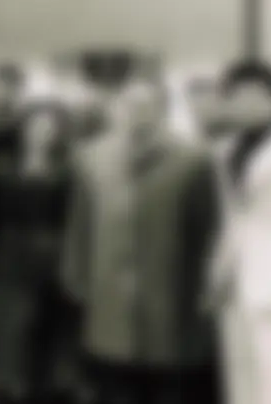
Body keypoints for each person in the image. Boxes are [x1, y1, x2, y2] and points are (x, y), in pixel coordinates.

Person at [60, 71, 222, 404]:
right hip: (109, 287)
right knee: (113, 376)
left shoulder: (194, 160)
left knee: (166, 380)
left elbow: (208, 230)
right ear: (118, 108)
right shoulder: (92, 158)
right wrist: (75, 272)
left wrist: (208, 286)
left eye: (147, 105)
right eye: (130, 104)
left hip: (172, 293)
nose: (137, 112)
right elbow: (80, 222)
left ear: (163, 109)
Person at [201, 61, 271, 404]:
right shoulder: (228, 151)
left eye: (256, 97)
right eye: (238, 97)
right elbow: (233, 219)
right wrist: (218, 274)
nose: (246, 106)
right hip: (238, 284)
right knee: (241, 382)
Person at [0, 101, 80, 404]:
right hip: (9, 253)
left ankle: (44, 387)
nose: (42, 133)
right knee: (8, 324)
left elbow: (72, 216)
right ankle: (6, 385)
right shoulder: (1, 164)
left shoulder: (68, 168)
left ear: (58, 133)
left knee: (48, 327)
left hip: (53, 254)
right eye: (36, 126)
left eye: (49, 128)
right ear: (24, 128)